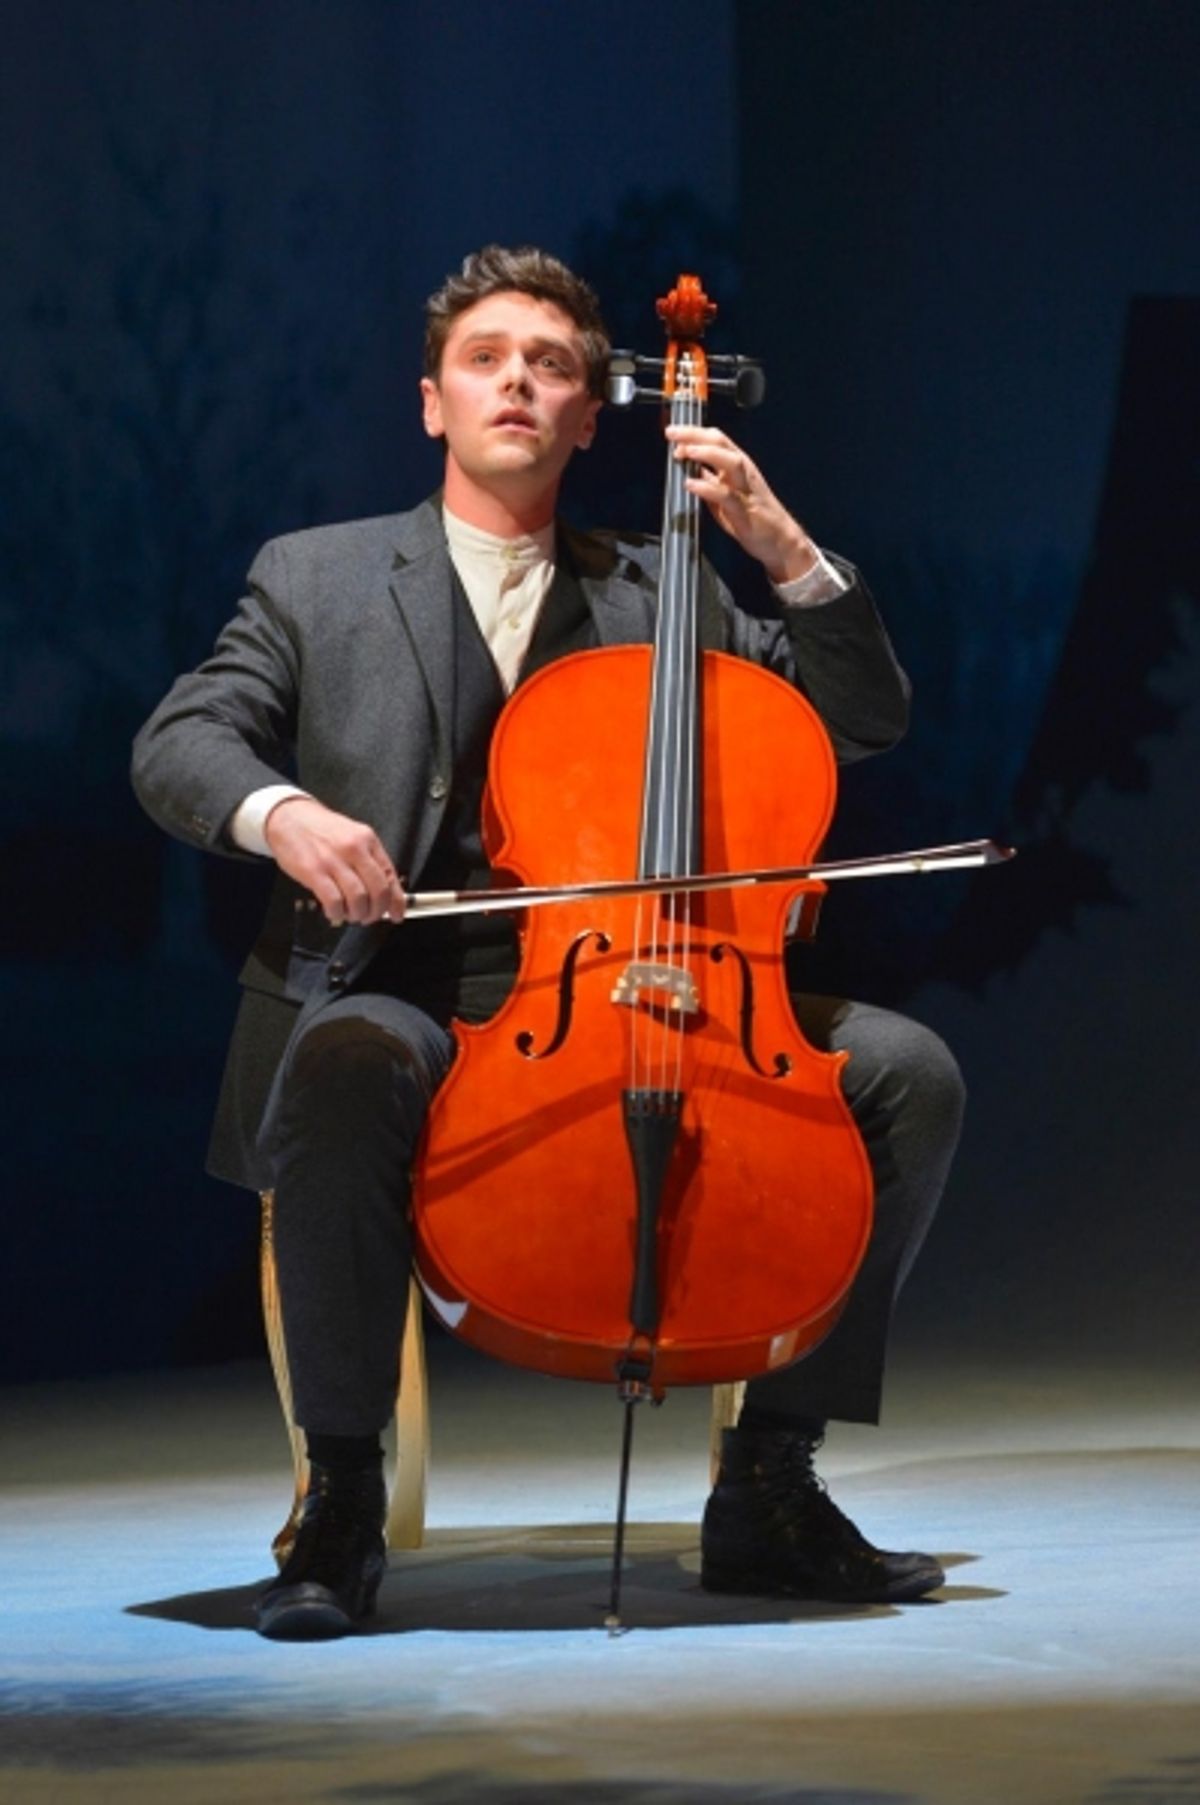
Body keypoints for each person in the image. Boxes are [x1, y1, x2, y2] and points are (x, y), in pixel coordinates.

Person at [132, 245, 964, 1641]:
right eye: (486, 358)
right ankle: (338, 1501)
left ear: (594, 416)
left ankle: (773, 1481)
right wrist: (287, 818)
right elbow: (182, 741)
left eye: (556, 364)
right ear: (432, 404)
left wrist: (785, 548)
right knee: (341, 1059)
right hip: (402, 988)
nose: (519, 379)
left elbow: (864, 720)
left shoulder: (668, 590)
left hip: (650, 978)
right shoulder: (317, 577)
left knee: (907, 1070)